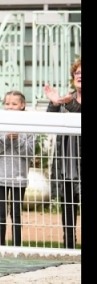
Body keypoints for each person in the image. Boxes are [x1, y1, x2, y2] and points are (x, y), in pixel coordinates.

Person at [0, 91, 34, 247]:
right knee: (0, 213)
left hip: (19, 177)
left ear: (22, 106)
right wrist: (5, 139)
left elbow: (30, 153)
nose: (10, 107)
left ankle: (17, 246)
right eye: (7, 104)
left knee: (16, 214)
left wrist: (18, 139)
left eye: (14, 104)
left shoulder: (29, 126)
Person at [44, 59, 81, 250]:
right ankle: (69, 246)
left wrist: (71, 104)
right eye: (77, 73)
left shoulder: (71, 100)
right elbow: (50, 122)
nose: (80, 76)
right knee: (68, 207)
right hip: (67, 163)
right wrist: (54, 103)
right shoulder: (67, 97)